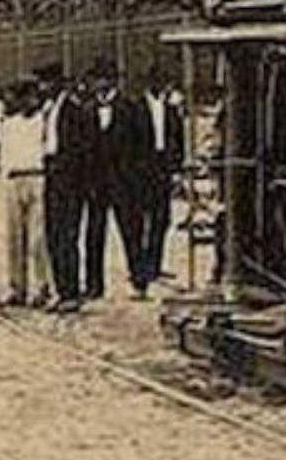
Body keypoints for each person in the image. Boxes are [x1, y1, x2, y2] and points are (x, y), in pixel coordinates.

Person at [87, 58, 155, 300]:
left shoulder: (131, 107)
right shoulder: (87, 109)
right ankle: (94, 285)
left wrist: (139, 178)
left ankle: (139, 280)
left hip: (125, 182)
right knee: (94, 234)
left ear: (113, 81)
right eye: (96, 79)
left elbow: (144, 146)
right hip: (97, 182)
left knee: (131, 232)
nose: (99, 84)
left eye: (104, 79)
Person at [36, 62, 97, 314]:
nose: (42, 87)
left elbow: (83, 149)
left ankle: (70, 291)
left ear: (57, 83)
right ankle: (61, 289)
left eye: (46, 82)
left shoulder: (73, 110)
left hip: (69, 179)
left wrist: (79, 181)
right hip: (52, 174)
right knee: (53, 235)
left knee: (67, 236)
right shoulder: (50, 108)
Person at [0, 77, 51, 308]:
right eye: (26, 97)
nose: (31, 101)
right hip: (14, 179)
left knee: (38, 239)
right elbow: (5, 155)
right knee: (15, 237)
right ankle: (16, 287)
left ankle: (41, 287)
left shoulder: (44, 122)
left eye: (34, 97)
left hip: (37, 178)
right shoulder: (9, 124)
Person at [141, 61, 186, 283]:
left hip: (163, 166)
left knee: (162, 218)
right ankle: (141, 265)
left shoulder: (170, 109)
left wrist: (177, 169)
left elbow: (179, 140)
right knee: (142, 218)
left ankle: (154, 265)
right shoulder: (136, 107)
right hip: (143, 166)